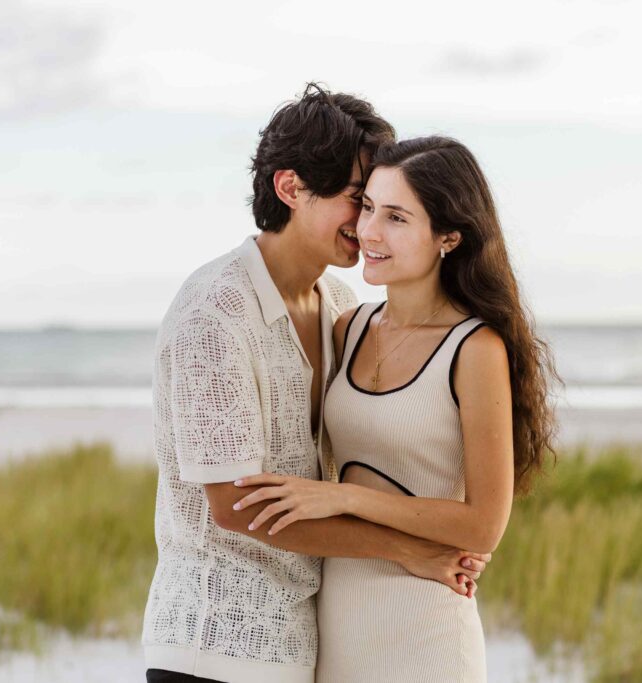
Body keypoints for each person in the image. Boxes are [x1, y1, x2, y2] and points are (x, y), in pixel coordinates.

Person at [141, 88, 491, 683]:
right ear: (290, 188)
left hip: (302, 647)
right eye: (357, 200)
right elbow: (234, 507)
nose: (368, 224)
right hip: (211, 648)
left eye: (379, 205)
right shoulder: (214, 312)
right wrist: (405, 548)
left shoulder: (339, 304)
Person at [231, 136, 560, 682]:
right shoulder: (348, 327)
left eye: (397, 218)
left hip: (427, 627)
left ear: (449, 237)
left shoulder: (474, 349)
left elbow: (483, 527)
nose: (369, 232)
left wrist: (342, 497)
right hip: (339, 622)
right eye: (367, 208)